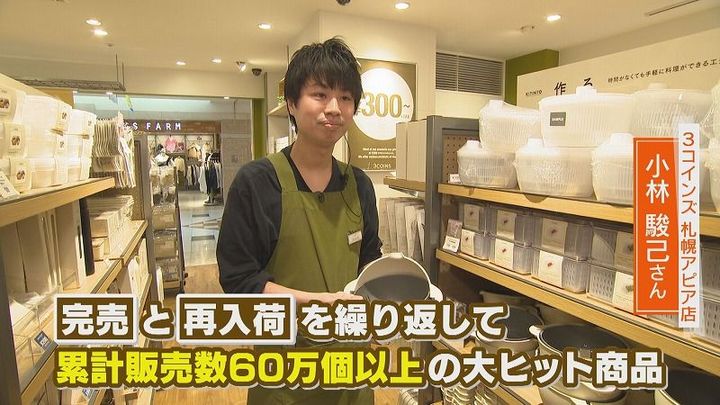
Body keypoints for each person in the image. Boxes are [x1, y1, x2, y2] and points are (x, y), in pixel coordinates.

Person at [217, 37, 382, 404]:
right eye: (320, 94)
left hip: (352, 376)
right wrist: (315, 303)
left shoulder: (360, 185)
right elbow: (239, 280)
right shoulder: (257, 183)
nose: (334, 109)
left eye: (345, 97)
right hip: (284, 376)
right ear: (292, 103)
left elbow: (370, 262)